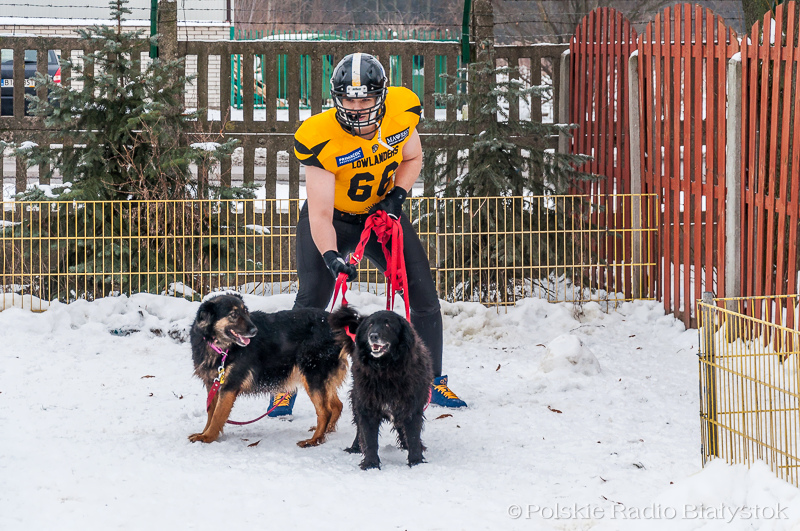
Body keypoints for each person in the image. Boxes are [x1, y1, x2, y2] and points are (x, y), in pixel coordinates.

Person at [268, 52, 467, 416]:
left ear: (382, 96)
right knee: (311, 301)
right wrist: (331, 256)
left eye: (366, 98)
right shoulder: (321, 136)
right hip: (332, 219)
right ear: (336, 98)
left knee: (423, 296)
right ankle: (284, 386)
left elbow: (412, 158)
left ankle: (433, 381)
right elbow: (320, 213)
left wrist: (398, 196)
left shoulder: (401, 114)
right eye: (349, 98)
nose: (357, 107)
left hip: (380, 215)